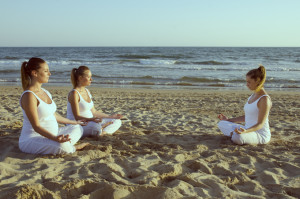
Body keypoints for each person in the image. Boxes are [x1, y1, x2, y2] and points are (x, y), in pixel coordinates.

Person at [19, 57, 89, 155]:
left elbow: (54, 116)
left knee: (77, 127)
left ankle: (63, 144)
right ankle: (71, 147)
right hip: (33, 139)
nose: (49, 74)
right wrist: (55, 139)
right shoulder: (29, 96)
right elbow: (36, 126)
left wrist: (74, 121)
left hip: (53, 134)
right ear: (35, 73)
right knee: (63, 147)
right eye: (46, 71)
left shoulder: (45, 92)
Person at [217, 65, 272, 145]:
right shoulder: (252, 96)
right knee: (222, 123)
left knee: (238, 137)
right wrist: (229, 120)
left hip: (259, 134)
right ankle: (234, 134)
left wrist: (246, 131)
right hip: (247, 129)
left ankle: (234, 135)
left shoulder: (264, 99)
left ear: (257, 81)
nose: (247, 84)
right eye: (246, 81)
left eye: (249, 82)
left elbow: (260, 124)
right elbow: (248, 117)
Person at [67, 66, 122, 138]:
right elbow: (77, 117)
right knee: (95, 127)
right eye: (89, 77)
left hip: (90, 122)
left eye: (91, 77)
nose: (91, 79)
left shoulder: (87, 91)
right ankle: (101, 129)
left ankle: (103, 132)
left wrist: (110, 116)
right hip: (79, 124)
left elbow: (94, 111)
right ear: (80, 78)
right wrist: (92, 119)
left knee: (117, 121)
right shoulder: (74, 94)